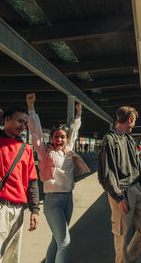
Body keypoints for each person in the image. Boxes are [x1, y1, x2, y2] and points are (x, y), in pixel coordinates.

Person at [26, 93, 85, 263]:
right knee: (65, 242)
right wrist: (31, 107)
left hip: (68, 199)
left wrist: (79, 114)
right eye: (56, 136)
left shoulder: (68, 150)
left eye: (62, 137)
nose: (59, 139)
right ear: (51, 138)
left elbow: (74, 130)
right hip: (52, 202)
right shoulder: (45, 152)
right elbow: (36, 131)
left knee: (56, 239)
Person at [0, 105, 40, 263]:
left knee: (12, 257)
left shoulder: (26, 150)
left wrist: (35, 210)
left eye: (25, 123)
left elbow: (32, 181)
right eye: (20, 121)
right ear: (6, 119)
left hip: (18, 210)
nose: (23, 126)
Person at [100, 106, 141, 263]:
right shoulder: (110, 139)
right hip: (122, 192)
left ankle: (127, 259)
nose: (134, 124)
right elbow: (108, 171)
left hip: (137, 188)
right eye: (134, 121)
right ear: (129, 120)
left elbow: (138, 166)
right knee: (122, 234)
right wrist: (118, 197)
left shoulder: (129, 140)